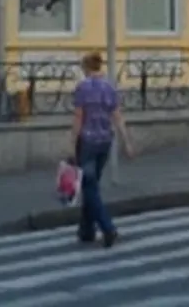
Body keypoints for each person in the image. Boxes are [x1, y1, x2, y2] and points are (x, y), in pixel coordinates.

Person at [69, 51, 135, 248]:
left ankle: (108, 228)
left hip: (87, 142)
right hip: (105, 141)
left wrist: (71, 143)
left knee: (89, 186)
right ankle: (86, 230)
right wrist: (126, 142)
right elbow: (117, 116)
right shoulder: (109, 87)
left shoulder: (82, 88)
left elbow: (78, 117)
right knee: (91, 185)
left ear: (86, 67)